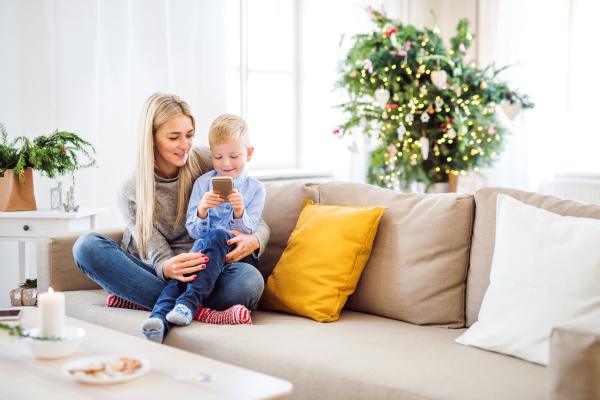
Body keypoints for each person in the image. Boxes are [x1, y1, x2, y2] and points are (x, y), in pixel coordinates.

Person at [72, 93, 269, 342]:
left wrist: (256, 239)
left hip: (206, 269)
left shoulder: (211, 160)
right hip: (158, 271)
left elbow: (252, 210)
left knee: (249, 281)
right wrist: (167, 267)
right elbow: (154, 250)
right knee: (86, 246)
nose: (185, 145)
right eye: (174, 137)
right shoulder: (130, 190)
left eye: (189, 134)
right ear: (152, 139)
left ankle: (151, 303)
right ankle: (195, 308)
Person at [141, 114, 266, 341]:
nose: (225, 163)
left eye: (234, 156)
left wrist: (239, 212)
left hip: (235, 261)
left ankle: (188, 304)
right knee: (183, 276)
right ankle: (159, 321)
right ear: (211, 152)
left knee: (226, 248)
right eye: (218, 156)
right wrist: (202, 209)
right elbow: (195, 232)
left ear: (248, 154)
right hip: (203, 257)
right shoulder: (203, 183)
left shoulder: (256, 189)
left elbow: (250, 231)